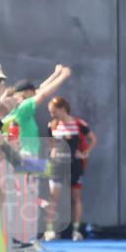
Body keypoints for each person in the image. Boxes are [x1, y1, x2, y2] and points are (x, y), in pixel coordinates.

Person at [44, 90, 93, 242]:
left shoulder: (79, 124)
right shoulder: (52, 125)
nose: (52, 114)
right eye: (50, 112)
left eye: (54, 111)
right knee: (54, 197)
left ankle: (76, 230)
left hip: (74, 165)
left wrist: (84, 153)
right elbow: (50, 143)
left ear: (62, 108)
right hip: (58, 165)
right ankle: (50, 230)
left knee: (75, 197)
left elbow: (93, 139)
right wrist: (52, 152)